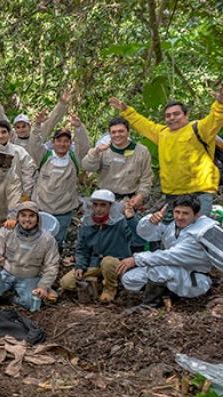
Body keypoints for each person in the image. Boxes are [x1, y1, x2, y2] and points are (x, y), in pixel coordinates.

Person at [109, 86, 223, 217]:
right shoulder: (162, 133)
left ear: (186, 115)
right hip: (172, 195)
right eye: (168, 115)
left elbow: (216, 118)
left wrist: (220, 103)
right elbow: (142, 123)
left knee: (198, 233)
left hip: (198, 194)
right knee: (172, 233)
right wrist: (125, 110)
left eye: (176, 114)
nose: (172, 118)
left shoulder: (199, 128)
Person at [119, 195, 219, 312]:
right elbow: (145, 234)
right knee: (130, 279)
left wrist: (136, 259)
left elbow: (169, 256)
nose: (180, 217)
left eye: (185, 213)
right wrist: (151, 223)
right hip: (173, 271)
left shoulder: (201, 233)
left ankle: (150, 305)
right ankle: (168, 295)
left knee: (159, 270)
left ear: (196, 215)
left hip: (194, 279)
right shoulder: (173, 226)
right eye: (177, 212)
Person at [59, 189, 138, 303]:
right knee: (66, 283)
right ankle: (97, 284)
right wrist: (80, 266)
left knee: (108, 261)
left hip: (116, 263)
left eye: (103, 205)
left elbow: (137, 239)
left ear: (110, 206)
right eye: (95, 204)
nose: (98, 209)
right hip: (94, 263)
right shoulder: (87, 224)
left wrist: (131, 219)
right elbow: (81, 249)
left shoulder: (120, 222)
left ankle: (110, 288)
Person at [0, 201, 60, 312]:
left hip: (30, 277)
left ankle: (11, 299)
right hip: (6, 272)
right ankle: (2, 295)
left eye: (31, 216)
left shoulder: (47, 239)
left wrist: (43, 286)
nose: (27, 219)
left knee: (32, 303)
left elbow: (51, 266)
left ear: (38, 219)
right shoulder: (7, 230)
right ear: (18, 217)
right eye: (23, 215)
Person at [29, 114, 91, 245]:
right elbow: (34, 144)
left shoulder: (75, 158)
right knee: (38, 239)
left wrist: (79, 128)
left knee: (57, 240)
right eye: (59, 140)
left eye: (66, 141)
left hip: (64, 209)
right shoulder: (44, 156)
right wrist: (37, 125)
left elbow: (84, 148)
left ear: (70, 143)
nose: (62, 144)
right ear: (53, 142)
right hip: (42, 207)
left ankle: (55, 262)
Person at [81, 117, 154, 210]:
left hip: (127, 200)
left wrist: (140, 196)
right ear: (110, 134)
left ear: (128, 132)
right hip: (102, 199)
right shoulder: (103, 149)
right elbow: (87, 166)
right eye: (113, 132)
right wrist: (95, 152)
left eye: (121, 131)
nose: (117, 135)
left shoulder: (141, 151)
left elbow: (146, 178)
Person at [0, 84, 71, 159]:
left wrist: (62, 103)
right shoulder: (13, 138)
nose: (21, 129)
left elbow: (52, 120)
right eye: (18, 127)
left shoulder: (37, 134)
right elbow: (0, 118)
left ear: (29, 126)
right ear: (14, 129)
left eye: (24, 126)